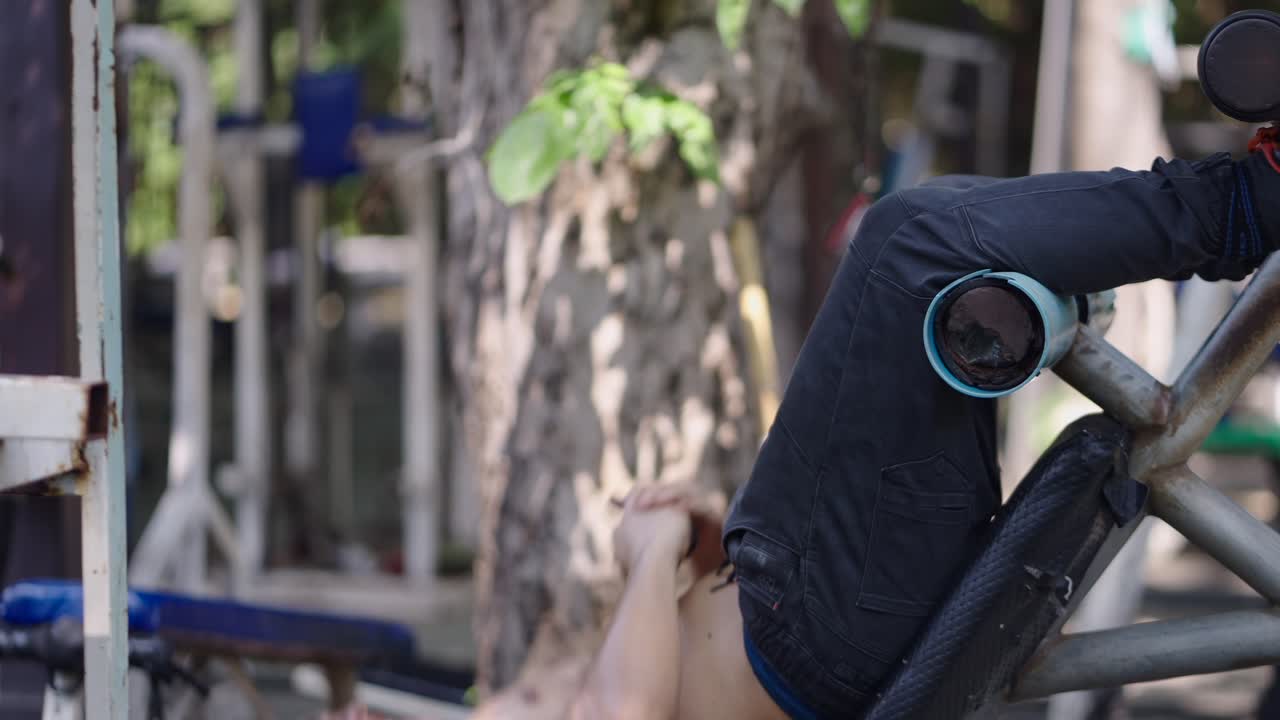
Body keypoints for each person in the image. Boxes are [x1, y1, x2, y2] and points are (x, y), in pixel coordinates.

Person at [476, 138, 1280, 720]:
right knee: (911, 244)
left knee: (926, 237)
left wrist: (699, 545)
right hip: (814, 641)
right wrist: (651, 558)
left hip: (798, 600)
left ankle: (1240, 199)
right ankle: (1248, 201)